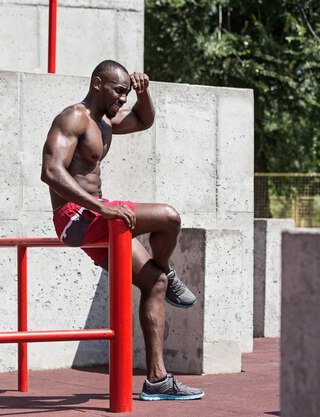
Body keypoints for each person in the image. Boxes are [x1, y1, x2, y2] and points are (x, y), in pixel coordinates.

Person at [41, 60, 204, 401]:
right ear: (97, 83)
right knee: (169, 217)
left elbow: (144, 120)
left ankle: (157, 379)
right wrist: (101, 206)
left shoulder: (106, 123)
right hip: (76, 217)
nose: (122, 100)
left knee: (153, 282)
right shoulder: (73, 118)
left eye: (126, 94)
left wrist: (144, 94)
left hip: (97, 219)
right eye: (119, 91)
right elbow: (51, 172)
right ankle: (171, 272)